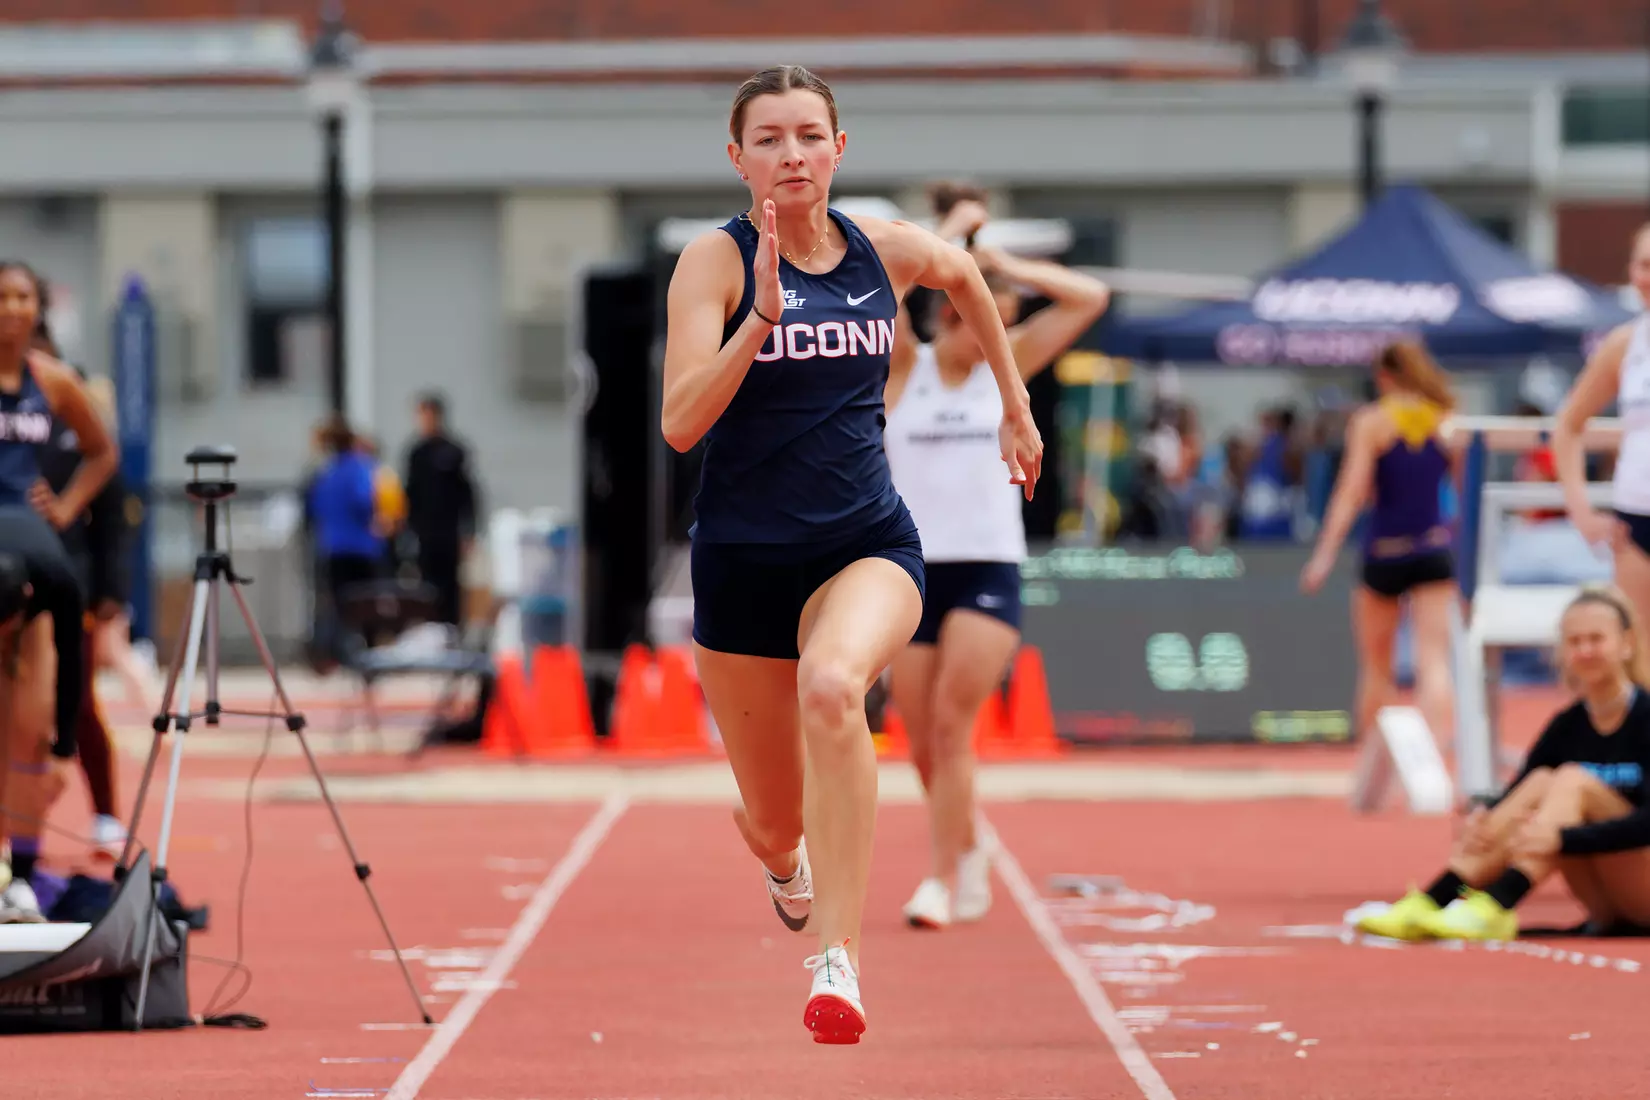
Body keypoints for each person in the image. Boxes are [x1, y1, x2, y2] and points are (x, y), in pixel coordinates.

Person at [662, 65, 1042, 1044]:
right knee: (770, 818)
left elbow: (964, 277)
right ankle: (785, 860)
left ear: (840, 148)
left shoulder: (885, 250)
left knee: (834, 688)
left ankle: (838, 956)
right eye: (770, 138)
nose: (792, 154)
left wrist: (1016, 402)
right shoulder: (714, 262)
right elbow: (679, 422)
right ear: (738, 157)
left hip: (866, 543)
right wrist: (758, 319)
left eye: (808, 135)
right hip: (743, 562)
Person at [883, 198, 1109, 930]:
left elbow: (1090, 298)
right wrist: (946, 243)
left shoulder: (1001, 377)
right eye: (985, 315)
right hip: (911, 570)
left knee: (953, 725)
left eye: (1005, 322)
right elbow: (876, 289)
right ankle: (969, 843)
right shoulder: (905, 368)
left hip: (986, 567)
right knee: (920, 742)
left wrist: (1005, 260)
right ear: (952, 311)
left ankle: (940, 879)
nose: (998, 335)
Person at [1356, 586, 1650, 941]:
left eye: (1596, 639)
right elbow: (1520, 792)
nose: (1585, 651)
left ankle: (1496, 902)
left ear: (1627, 643)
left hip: (1642, 885)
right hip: (1604, 899)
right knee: (1542, 783)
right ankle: (1437, 899)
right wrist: (1484, 817)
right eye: (1574, 641)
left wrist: (1563, 837)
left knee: (1572, 780)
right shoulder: (1567, 724)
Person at [0, 261, 115, 922]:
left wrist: (68, 506)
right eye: (2, 297)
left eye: (23, 297)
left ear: (37, 308)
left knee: (28, 729)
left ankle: (24, 868)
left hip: (29, 532)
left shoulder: (54, 380)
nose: (12, 308)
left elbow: (103, 452)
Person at [1300, 340, 1460, 812]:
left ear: (1385, 376)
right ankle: (1432, 760)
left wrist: (1323, 556)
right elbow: (1464, 493)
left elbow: (1351, 491)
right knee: (1434, 661)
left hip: (1385, 552)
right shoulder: (1445, 418)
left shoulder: (1373, 421)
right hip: (1434, 549)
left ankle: (1373, 768)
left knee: (1376, 665)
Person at [33, 341, 133, 861]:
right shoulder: (15, 431)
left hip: (73, 589)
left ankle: (106, 814)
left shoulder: (82, 438)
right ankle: (23, 835)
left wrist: (111, 592)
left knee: (79, 705)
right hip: (14, 588)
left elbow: (113, 522)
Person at [1553, 222, 1650, 651]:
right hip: (1636, 523)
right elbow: (1568, 425)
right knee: (1639, 656)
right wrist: (1582, 512)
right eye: (1644, 264)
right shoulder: (1624, 345)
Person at [404, 393, 477, 629]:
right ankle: (428, 627)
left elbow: (468, 495)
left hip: (449, 530)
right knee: (425, 583)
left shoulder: (453, 451)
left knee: (449, 583)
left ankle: (451, 628)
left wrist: (469, 531)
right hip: (424, 531)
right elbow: (410, 494)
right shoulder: (416, 453)